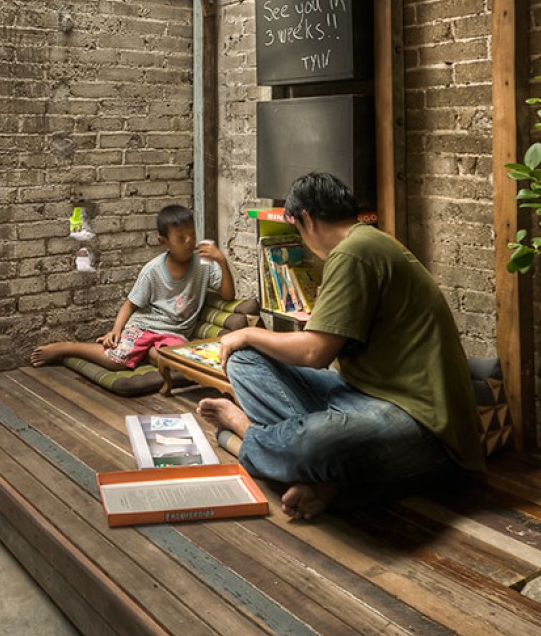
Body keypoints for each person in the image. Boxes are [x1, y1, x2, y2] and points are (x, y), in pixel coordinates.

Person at [198, 172, 485, 521]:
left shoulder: (353, 252)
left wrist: (248, 333)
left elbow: (314, 353)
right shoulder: (368, 242)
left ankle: (248, 434)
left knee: (315, 441)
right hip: (360, 392)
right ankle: (328, 481)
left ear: (305, 219)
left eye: (297, 230)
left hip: (419, 421)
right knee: (244, 362)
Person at [32, 204, 235, 370]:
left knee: (177, 361)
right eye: (181, 238)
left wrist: (221, 260)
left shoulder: (203, 265)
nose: (190, 242)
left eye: (192, 235)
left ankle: (148, 353)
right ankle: (69, 348)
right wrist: (115, 331)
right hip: (145, 325)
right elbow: (130, 305)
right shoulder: (153, 271)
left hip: (174, 333)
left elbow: (227, 295)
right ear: (163, 242)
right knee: (115, 361)